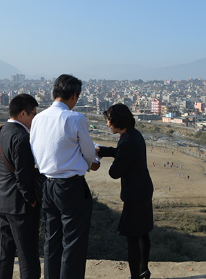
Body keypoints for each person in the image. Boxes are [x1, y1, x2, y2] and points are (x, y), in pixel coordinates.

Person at [30, 74, 100, 279]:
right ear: (74, 96)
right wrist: (89, 163)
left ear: (54, 93)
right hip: (71, 186)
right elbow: (88, 153)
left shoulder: (38, 119)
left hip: (47, 185)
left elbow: (35, 149)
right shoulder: (75, 118)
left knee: (52, 240)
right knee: (74, 242)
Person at [97, 103, 154, 279]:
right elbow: (122, 153)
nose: (107, 124)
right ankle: (144, 269)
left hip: (134, 195)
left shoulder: (127, 141)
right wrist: (103, 151)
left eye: (109, 121)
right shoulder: (134, 135)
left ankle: (135, 276)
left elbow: (114, 173)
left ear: (116, 121)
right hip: (144, 190)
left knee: (132, 238)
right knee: (143, 232)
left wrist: (98, 159)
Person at [0, 94, 41, 279]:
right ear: (23, 113)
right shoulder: (22, 137)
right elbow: (23, 177)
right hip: (20, 205)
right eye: (33, 114)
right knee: (28, 254)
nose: (34, 119)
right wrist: (33, 200)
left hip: (2, 201)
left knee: (4, 252)